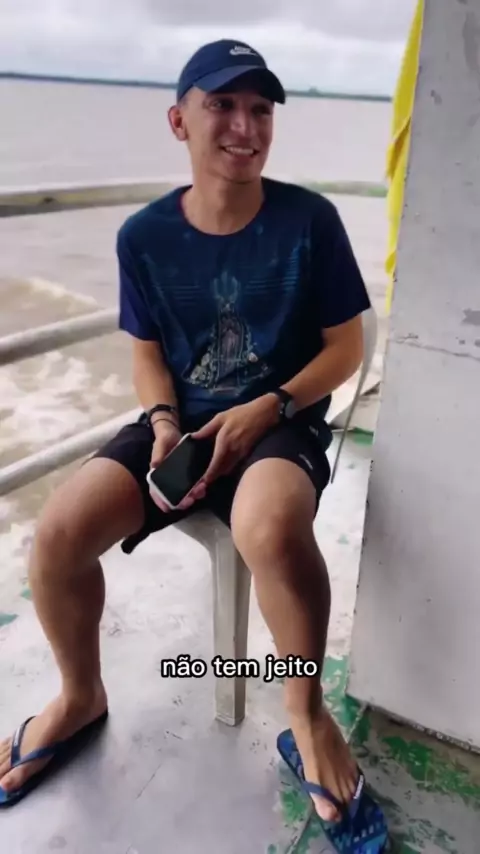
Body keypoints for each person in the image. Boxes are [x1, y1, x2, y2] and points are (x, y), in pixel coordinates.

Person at [0, 38, 370, 822]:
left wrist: (271, 406)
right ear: (180, 121)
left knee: (269, 528)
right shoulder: (144, 237)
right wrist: (165, 422)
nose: (245, 125)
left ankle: (306, 717)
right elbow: (146, 355)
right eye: (222, 105)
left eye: (260, 109)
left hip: (281, 421)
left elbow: (346, 350)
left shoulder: (311, 222)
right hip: (182, 426)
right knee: (58, 534)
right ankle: (80, 695)